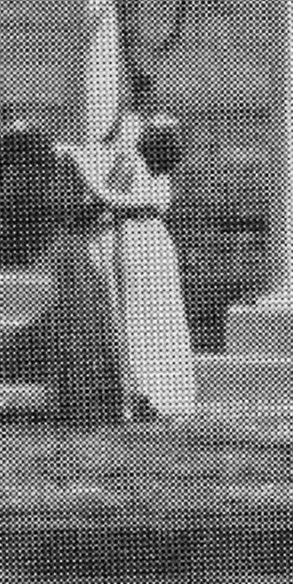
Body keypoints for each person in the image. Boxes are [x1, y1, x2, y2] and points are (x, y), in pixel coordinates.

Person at [53, 112, 197, 420]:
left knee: (148, 321)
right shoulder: (138, 166)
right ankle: (134, 394)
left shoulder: (154, 175)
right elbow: (101, 203)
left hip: (144, 245)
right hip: (134, 244)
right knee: (132, 321)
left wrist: (80, 163)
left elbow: (111, 199)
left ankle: (156, 396)